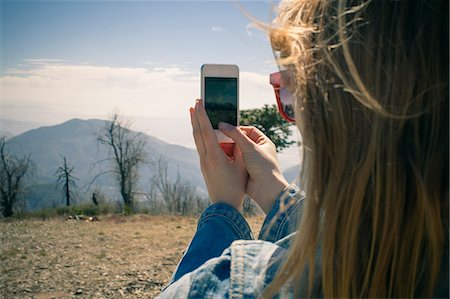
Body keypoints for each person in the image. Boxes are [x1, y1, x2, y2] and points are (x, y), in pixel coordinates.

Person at [158, 0, 448, 298]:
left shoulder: (235, 286)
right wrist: (277, 194)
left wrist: (223, 210)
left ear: (333, 108)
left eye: (289, 87)